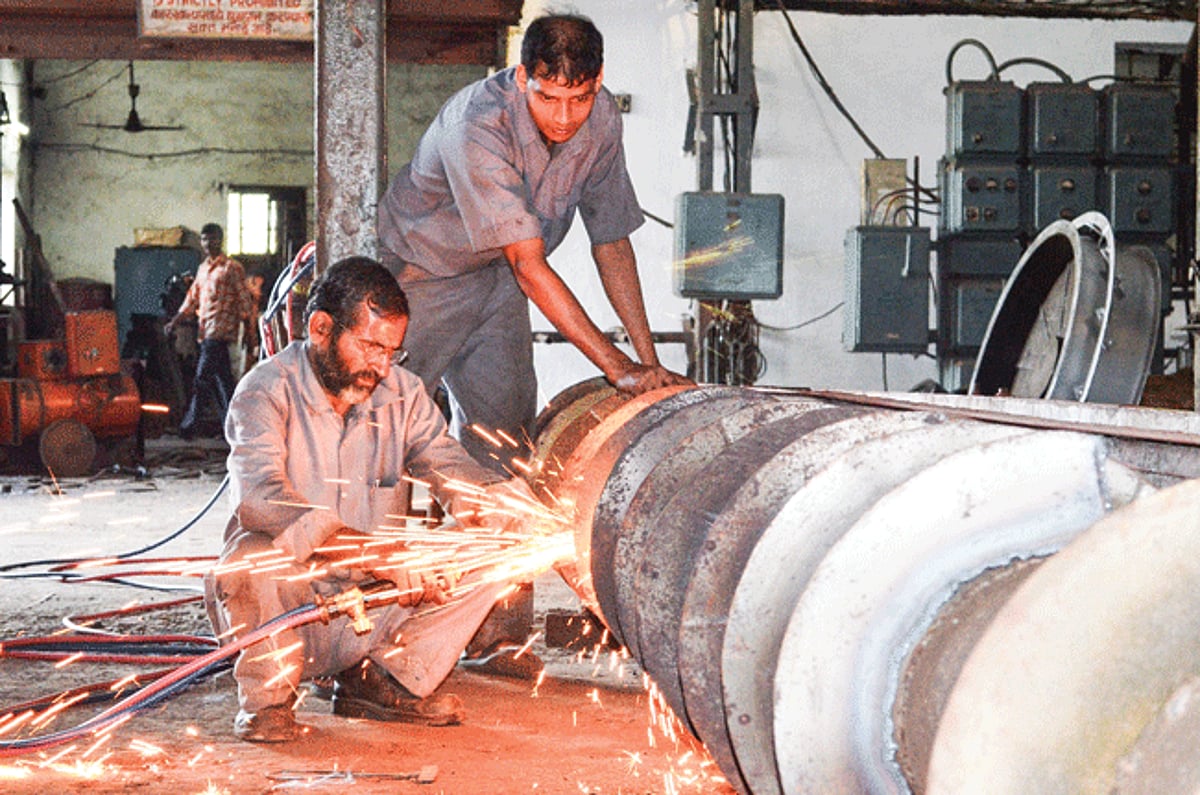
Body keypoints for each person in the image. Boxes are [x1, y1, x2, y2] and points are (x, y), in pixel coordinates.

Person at [377, 13, 692, 656]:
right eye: (548, 97)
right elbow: (530, 263)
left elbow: (612, 240)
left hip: (500, 282)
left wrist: (646, 362)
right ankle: (368, 630)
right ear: (522, 76)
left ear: (598, 85)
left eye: (579, 98)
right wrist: (614, 367)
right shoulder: (477, 125)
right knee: (382, 436)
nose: (564, 116)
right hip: (423, 277)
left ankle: (495, 629)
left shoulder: (601, 120)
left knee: (505, 438)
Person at [205, 257, 531, 743]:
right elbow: (260, 499)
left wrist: (489, 500)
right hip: (291, 610)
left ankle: (382, 680)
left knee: (506, 532)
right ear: (320, 329)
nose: (382, 366)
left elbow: (447, 462)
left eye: (393, 352)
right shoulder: (265, 391)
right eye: (371, 346)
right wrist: (378, 555)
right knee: (251, 560)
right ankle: (269, 701)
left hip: (377, 605)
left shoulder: (403, 392)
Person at [165, 223, 257, 439]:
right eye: (205, 239)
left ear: (220, 240)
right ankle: (235, 427)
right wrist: (175, 321)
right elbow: (192, 298)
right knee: (224, 383)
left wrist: (250, 331)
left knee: (202, 380)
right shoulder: (203, 269)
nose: (208, 243)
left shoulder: (232, 268)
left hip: (219, 332)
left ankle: (189, 428)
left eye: (213, 239)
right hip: (205, 332)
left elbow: (244, 301)